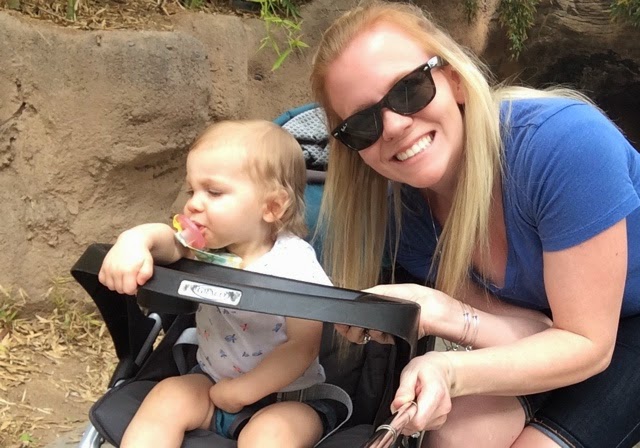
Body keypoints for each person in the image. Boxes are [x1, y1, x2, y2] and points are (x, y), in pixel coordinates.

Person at [310, 1, 640, 447]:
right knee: (456, 436)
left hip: (619, 326)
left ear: (454, 80)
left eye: (408, 89)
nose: (393, 126)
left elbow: (586, 343)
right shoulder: (401, 216)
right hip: (561, 333)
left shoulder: (563, 144)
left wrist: (451, 369)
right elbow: (539, 330)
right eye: (361, 124)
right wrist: (440, 313)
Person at [98, 120, 340, 448]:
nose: (194, 204)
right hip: (211, 383)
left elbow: (303, 346)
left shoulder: (295, 264)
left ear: (272, 206)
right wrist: (134, 241)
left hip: (289, 397)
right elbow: (170, 242)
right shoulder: (208, 251)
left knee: (269, 435)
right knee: (167, 397)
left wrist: (244, 391)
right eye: (192, 191)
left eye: (213, 192)